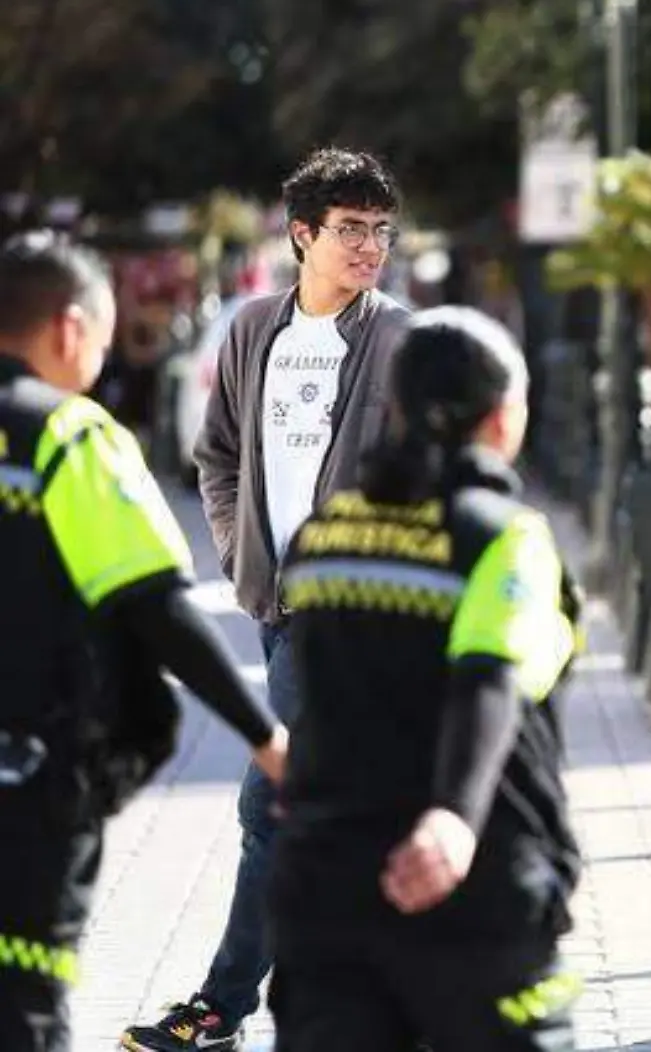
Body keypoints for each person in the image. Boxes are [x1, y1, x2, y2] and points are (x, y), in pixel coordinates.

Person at [124, 146, 410, 1052]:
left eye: (380, 231)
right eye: (351, 229)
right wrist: (238, 553)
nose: (369, 247)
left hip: (356, 613)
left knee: (271, 799)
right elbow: (215, 456)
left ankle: (222, 1006)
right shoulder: (255, 331)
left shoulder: (400, 339)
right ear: (302, 236)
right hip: (277, 608)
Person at [0, 231, 288, 1052]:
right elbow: (156, 605)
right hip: (26, 784)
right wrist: (266, 738)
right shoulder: (65, 438)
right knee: (21, 1002)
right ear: (68, 331)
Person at [266, 307, 583, 1051]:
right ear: (503, 419)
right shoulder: (503, 535)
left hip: (326, 881)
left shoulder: (324, 534)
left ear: (398, 409)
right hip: (468, 887)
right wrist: (453, 817)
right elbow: (488, 679)